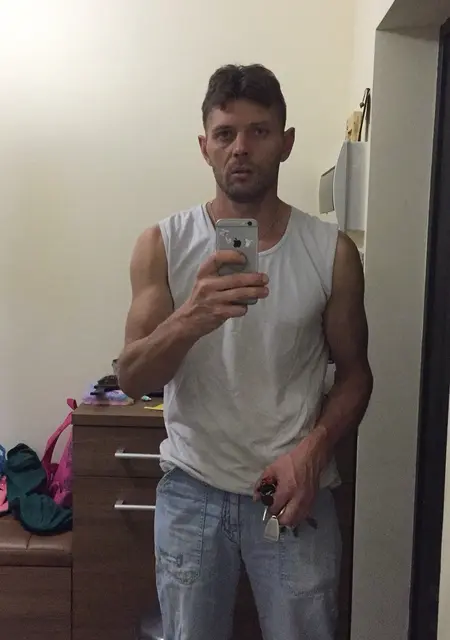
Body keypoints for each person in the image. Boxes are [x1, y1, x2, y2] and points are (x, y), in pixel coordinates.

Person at [118, 64, 373, 640]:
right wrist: (191, 318)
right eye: (225, 133)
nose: (241, 148)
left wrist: (314, 450)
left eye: (259, 132)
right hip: (192, 488)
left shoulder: (330, 252)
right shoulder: (163, 244)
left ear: (285, 143)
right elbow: (132, 377)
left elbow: (357, 375)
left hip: (295, 489)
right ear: (204, 146)